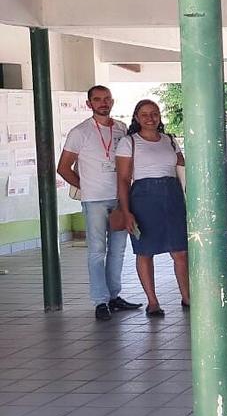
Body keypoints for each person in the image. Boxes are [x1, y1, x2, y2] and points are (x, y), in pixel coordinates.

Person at [57, 85, 142, 320]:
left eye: (107, 99)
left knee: (118, 250)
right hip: (94, 200)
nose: (103, 103)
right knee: (96, 251)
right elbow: (63, 168)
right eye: (97, 99)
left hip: (120, 198)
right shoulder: (80, 132)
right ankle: (100, 301)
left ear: (112, 101)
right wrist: (85, 187)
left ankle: (114, 296)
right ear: (89, 104)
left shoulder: (121, 128)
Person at [114, 100, 189, 317]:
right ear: (136, 117)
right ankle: (152, 301)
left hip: (173, 197)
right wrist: (126, 211)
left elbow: (183, 168)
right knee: (145, 251)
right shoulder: (129, 142)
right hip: (143, 200)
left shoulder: (170, 140)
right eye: (145, 114)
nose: (150, 118)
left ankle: (187, 296)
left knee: (180, 251)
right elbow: (123, 180)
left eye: (154, 113)